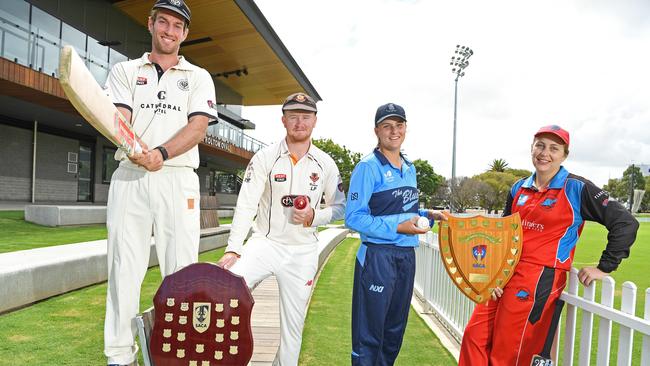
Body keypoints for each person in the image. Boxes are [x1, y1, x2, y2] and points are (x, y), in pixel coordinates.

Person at [459, 125, 639, 365]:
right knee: (474, 338)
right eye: (540, 145)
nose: (545, 153)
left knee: (508, 351)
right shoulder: (518, 187)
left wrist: (604, 266)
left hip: (540, 276)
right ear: (532, 148)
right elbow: (501, 235)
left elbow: (626, 223)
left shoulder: (577, 187)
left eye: (554, 148)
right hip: (504, 274)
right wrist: (493, 274)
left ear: (564, 155)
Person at [103, 1, 217, 365]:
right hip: (131, 175)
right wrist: (135, 149)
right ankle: (120, 356)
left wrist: (161, 154)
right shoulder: (124, 70)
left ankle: (180, 353)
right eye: (163, 22)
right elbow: (119, 117)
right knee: (124, 268)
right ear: (151, 24)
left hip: (176, 177)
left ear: (185, 33)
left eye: (177, 25)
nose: (169, 30)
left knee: (181, 272)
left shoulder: (198, 77)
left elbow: (198, 127)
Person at [216, 92, 346, 365]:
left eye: (305, 117)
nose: (300, 122)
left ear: (315, 121)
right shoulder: (264, 157)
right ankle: (225, 357)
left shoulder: (326, 164)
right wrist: (233, 249)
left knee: (292, 326)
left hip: (302, 250)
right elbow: (246, 203)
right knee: (226, 292)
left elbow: (339, 208)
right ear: (283, 121)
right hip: (265, 243)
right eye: (293, 117)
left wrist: (314, 216)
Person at [345, 103, 445, 365]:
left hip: (406, 257)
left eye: (399, 125)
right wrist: (397, 228)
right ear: (376, 130)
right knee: (369, 336)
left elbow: (402, 210)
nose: (394, 131)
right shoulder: (367, 167)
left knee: (393, 333)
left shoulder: (410, 167)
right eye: (387, 126)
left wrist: (426, 215)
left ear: (405, 129)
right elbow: (354, 217)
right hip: (377, 257)